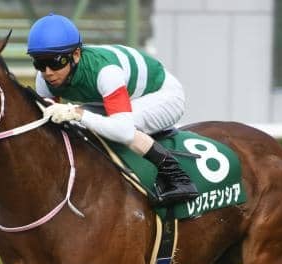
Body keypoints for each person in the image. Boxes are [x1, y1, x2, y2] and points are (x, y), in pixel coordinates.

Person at [27, 13, 198, 206]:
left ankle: (178, 178)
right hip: (123, 97)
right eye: (39, 63)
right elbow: (47, 127)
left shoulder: (106, 72)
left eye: (56, 62)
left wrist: (78, 113)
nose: (48, 72)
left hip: (163, 96)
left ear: (76, 55)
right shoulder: (44, 79)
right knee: (75, 122)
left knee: (115, 127)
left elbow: (123, 131)